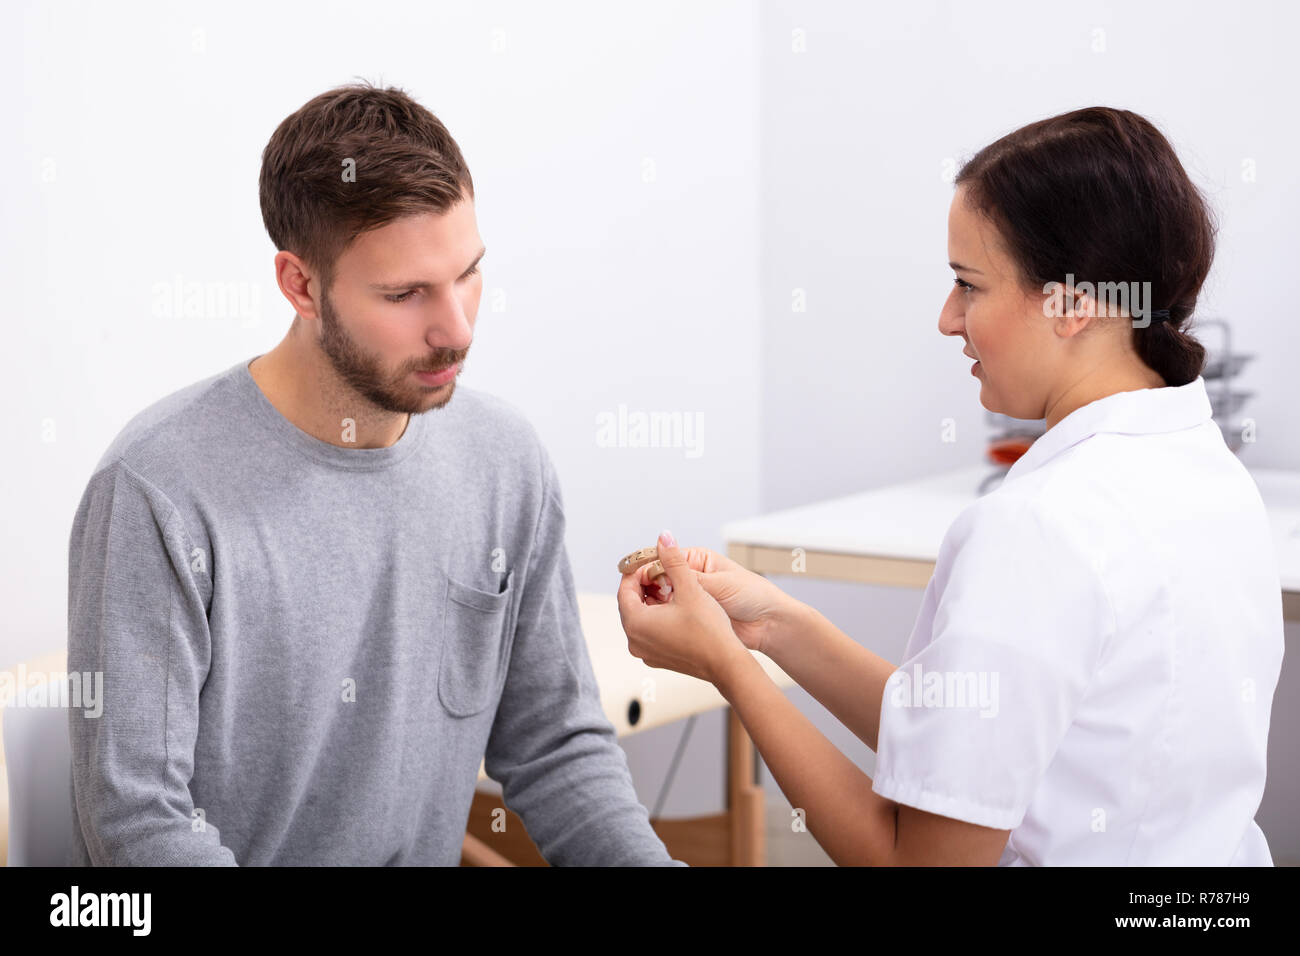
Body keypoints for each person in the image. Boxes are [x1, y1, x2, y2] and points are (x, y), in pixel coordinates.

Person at [618, 107, 1283, 866]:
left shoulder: (1038, 529)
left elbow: (914, 861)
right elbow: (967, 741)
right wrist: (771, 626)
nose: (946, 319)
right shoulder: (1207, 470)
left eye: (969, 285)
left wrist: (729, 670)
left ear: (1073, 303)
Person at [67, 81, 683, 866]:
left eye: (468, 274)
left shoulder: (504, 459)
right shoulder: (159, 490)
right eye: (404, 294)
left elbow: (558, 748)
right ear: (300, 286)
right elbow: (140, 826)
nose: (456, 330)